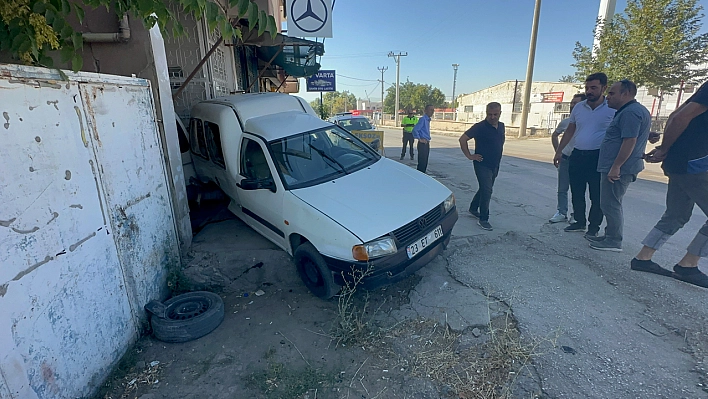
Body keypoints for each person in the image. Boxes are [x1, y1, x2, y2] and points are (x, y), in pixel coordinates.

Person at [630, 80, 708, 288]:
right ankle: (688, 265)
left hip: (683, 162)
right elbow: (680, 117)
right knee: (677, 214)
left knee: (676, 214)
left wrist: (668, 150)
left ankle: (643, 258)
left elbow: (676, 115)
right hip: (695, 164)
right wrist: (664, 148)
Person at [585, 79, 650, 252]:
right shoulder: (629, 111)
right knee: (609, 202)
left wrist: (616, 166)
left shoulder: (631, 112)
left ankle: (614, 240)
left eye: (612, 93)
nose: (608, 97)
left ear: (626, 94)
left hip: (620, 168)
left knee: (610, 204)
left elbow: (629, 140)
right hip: (616, 166)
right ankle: (610, 235)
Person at [553, 72, 616, 238]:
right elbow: (570, 129)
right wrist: (559, 151)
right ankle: (579, 222)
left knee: (597, 195)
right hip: (578, 155)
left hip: (599, 157)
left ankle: (593, 227)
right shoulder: (579, 108)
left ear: (604, 88)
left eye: (594, 88)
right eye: (587, 88)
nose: (589, 91)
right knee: (577, 192)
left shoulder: (612, 108)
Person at [459, 102, 505, 231]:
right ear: (486, 113)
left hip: (495, 164)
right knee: (487, 190)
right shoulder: (479, 127)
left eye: (495, 114)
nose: (492, 117)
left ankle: (473, 208)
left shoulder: (501, 126)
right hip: (482, 164)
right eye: (489, 114)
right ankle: (483, 219)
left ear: (500, 113)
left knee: (485, 188)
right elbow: (462, 139)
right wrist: (469, 155)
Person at [549, 93, 586, 224]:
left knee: (578, 189)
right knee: (562, 188)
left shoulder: (587, 122)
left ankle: (576, 215)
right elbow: (555, 135)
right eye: (571, 103)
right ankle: (561, 212)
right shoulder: (566, 122)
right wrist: (558, 152)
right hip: (566, 158)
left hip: (581, 159)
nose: (572, 106)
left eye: (576, 103)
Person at [412, 104, 434, 173]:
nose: (432, 112)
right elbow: (415, 130)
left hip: (426, 143)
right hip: (423, 144)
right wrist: (420, 139)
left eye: (433, 110)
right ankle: (420, 177)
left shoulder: (427, 120)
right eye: (430, 110)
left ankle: (422, 175)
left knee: (425, 162)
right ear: (425, 111)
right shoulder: (423, 119)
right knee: (422, 162)